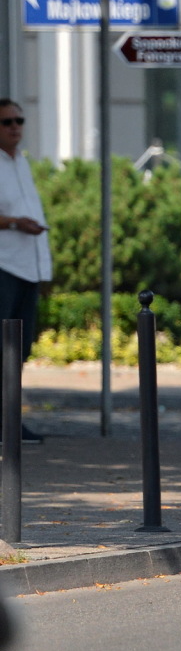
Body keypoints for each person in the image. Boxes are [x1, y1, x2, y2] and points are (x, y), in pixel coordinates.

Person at [0, 99, 51, 444]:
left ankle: (10, 420)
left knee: (21, 348)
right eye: (7, 122)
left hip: (28, 268)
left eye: (19, 120)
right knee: (2, 347)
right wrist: (15, 222)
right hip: (3, 266)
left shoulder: (22, 163)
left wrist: (44, 270)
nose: (16, 126)